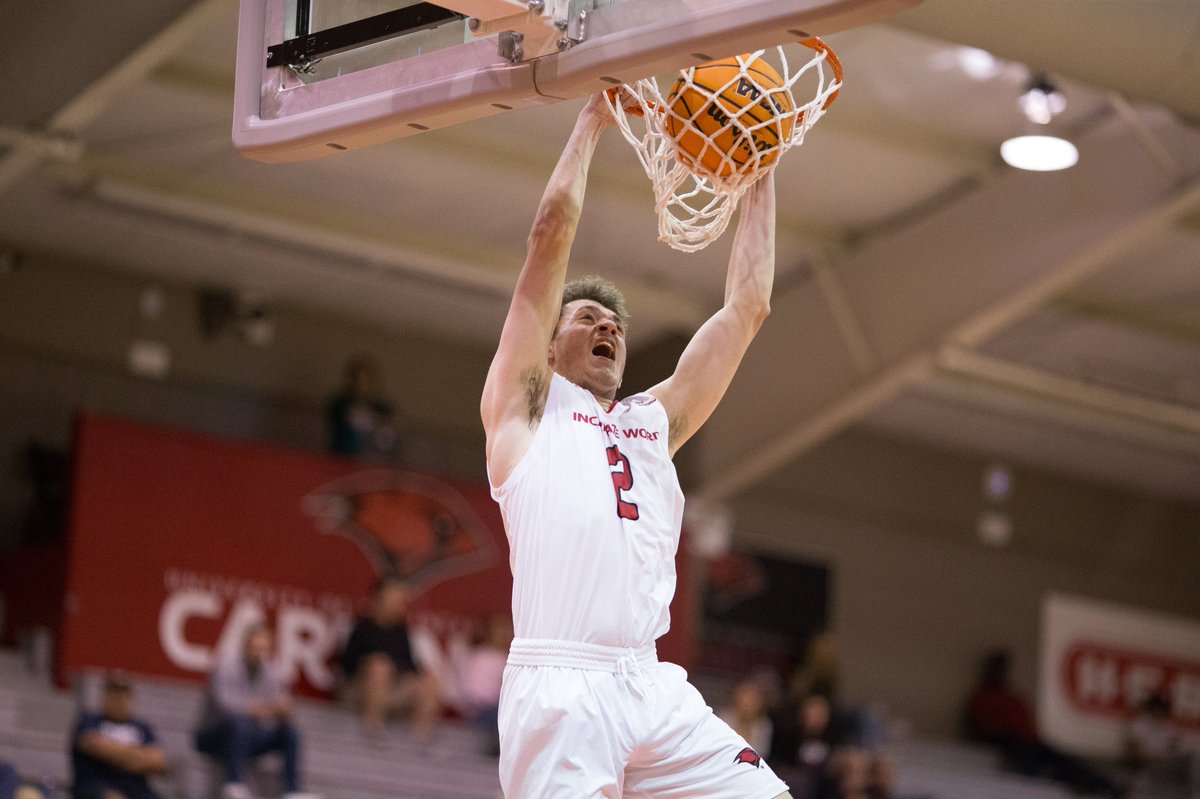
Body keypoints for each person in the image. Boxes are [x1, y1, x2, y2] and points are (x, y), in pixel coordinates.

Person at [480, 91, 790, 798]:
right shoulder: (527, 408)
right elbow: (550, 232)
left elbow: (749, 307)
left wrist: (762, 167)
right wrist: (593, 118)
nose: (608, 327)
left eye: (615, 323)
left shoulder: (652, 423)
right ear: (548, 345)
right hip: (560, 681)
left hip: (649, 682)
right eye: (587, 317)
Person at [965, 649, 1118, 797]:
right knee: (1030, 758)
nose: (1000, 673)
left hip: (1029, 742)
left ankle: (1102, 785)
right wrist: (1004, 733)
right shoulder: (983, 697)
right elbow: (981, 727)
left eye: (1003, 669)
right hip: (1008, 742)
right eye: (997, 668)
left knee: (1062, 759)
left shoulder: (1013, 698)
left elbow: (1028, 727)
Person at [194, 626, 317, 799]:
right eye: (255, 648)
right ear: (245, 646)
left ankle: (292, 791)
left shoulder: (271, 672)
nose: (259, 654)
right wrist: (269, 708)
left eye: (264, 649)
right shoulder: (226, 666)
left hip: (247, 738)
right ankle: (234, 783)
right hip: (213, 736)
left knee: (291, 732)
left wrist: (283, 711)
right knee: (239, 723)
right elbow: (228, 707)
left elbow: (277, 706)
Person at [339, 578, 441, 738]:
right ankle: (372, 729)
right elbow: (347, 667)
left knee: (430, 679)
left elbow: (410, 666)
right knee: (380, 667)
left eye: (400, 601)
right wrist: (373, 665)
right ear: (378, 600)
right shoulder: (362, 629)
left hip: (392, 691)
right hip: (359, 691)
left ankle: (419, 739)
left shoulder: (401, 632)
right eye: (393, 600)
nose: (398, 605)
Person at [70, 674, 166, 799]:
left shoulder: (142, 727)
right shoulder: (88, 721)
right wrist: (138, 756)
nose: (118, 700)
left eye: (123, 696)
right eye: (114, 695)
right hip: (96, 787)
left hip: (138, 790)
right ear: (105, 696)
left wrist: (113, 752)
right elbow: (94, 745)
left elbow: (158, 760)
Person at [326, 355, 398, 460]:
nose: (361, 386)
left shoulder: (382, 408)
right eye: (358, 380)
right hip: (343, 456)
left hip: (374, 459)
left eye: (366, 381)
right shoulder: (340, 403)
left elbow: (393, 426)